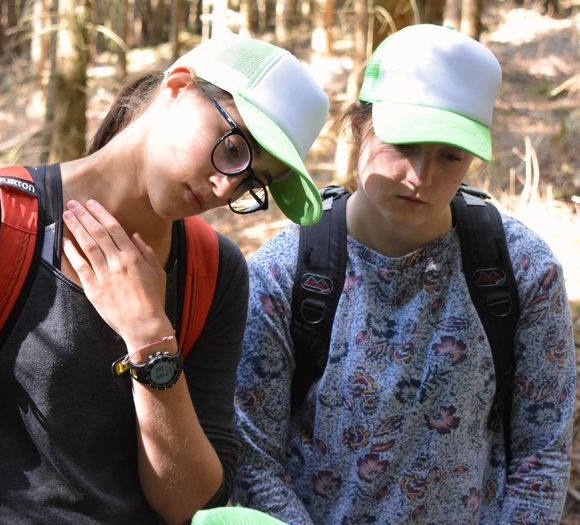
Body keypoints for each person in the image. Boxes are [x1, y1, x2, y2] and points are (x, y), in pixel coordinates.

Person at [0, 34, 329, 524]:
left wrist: (150, 337)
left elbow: (193, 503)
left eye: (253, 181)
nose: (226, 187)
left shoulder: (215, 271)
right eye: (235, 147)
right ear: (178, 87)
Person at [232, 24, 575, 524]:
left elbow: (541, 454)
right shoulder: (286, 273)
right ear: (358, 126)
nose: (420, 177)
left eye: (450, 155)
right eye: (403, 144)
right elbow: (252, 456)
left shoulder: (519, 270)